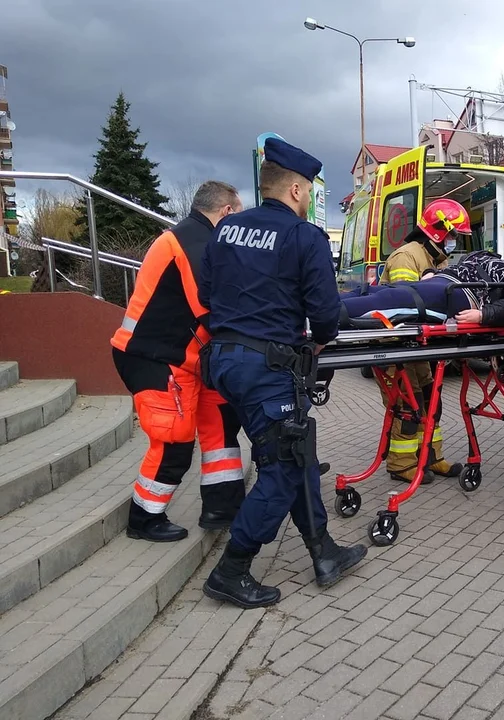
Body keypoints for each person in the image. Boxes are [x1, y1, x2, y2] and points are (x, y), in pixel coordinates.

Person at [198, 137, 366, 609]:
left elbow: (209, 295)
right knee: (282, 468)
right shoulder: (303, 236)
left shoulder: (226, 231)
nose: (312, 198)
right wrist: (315, 336)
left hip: (227, 362)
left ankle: (323, 551)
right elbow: (326, 315)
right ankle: (232, 570)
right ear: (295, 189)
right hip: (269, 369)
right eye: (309, 190)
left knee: (298, 455)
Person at [111, 181, 247, 542]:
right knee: (173, 442)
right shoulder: (192, 242)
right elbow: (213, 308)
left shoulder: (195, 239)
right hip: (155, 359)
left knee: (219, 424)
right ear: (227, 213)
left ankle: (223, 506)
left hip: (184, 359)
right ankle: (144, 517)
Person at [377, 199, 470, 485]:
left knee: (430, 401)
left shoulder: (432, 259)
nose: (454, 242)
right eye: (454, 235)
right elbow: (404, 305)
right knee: (408, 406)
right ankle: (402, 464)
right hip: (396, 348)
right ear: (439, 232)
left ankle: (430, 456)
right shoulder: (407, 257)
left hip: (417, 348)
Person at [342, 250, 504, 327]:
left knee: (392, 298)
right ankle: (321, 302)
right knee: (380, 290)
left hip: (464, 294)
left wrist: (483, 315)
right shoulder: (499, 260)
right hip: (447, 279)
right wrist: (431, 271)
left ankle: (327, 313)